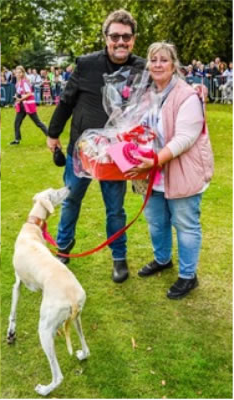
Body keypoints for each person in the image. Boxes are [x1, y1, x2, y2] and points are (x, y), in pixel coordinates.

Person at [46, 9, 146, 283]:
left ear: (133, 39)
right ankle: (63, 250)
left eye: (126, 37)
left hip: (116, 155)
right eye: (115, 36)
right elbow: (66, 101)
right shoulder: (87, 64)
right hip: (83, 151)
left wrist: (194, 91)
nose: (120, 42)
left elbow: (160, 96)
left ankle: (119, 257)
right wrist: (53, 133)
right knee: (71, 200)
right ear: (105, 37)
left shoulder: (141, 68)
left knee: (115, 208)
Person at [126, 42, 213, 299]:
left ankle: (188, 276)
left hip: (181, 172)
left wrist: (154, 159)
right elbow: (138, 127)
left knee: (185, 224)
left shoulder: (187, 95)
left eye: (163, 60)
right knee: (156, 222)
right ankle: (162, 259)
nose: (157, 64)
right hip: (152, 175)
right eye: (153, 60)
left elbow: (185, 137)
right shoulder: (148, 94)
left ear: (174, 64)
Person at [10, 65, 48, 145]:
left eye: (19, 72)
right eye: (16, 72)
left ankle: (50, 136)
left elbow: (29, 93)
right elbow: (20, 93)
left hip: (28, 105)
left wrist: (20, 99)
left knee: (38, 122)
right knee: (17, 122)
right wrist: (16, 97)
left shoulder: (24, 82)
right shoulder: (18, 83)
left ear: (23, 73)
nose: (18, 74)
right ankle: (17, 140)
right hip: (22, 105)